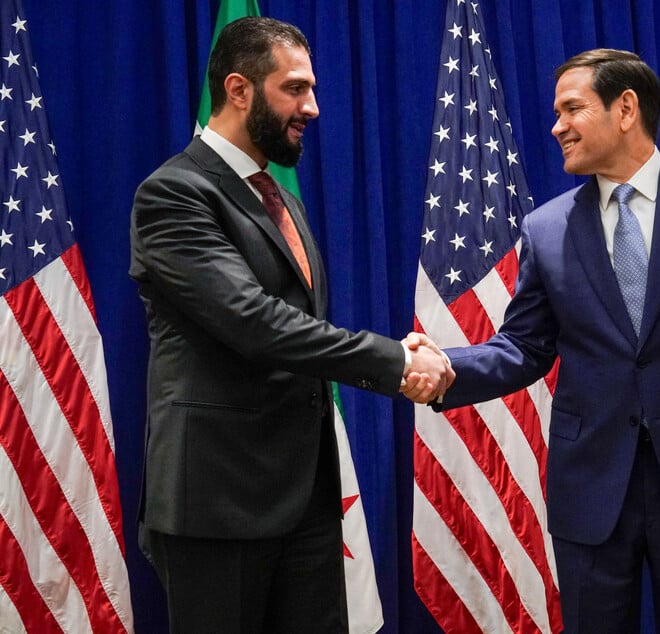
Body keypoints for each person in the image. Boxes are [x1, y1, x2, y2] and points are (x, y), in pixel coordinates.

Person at [408, 49, 660, 633]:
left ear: (625, 109)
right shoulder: (546, 229)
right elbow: (525, 346)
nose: (556, 127)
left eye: (571, 108)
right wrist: (449, 367)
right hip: (592, 486)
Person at [129, 17, 451, 632]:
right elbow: (254, 322)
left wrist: (395, 357)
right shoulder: (173, 193)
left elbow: (296, 325)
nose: (313, 107)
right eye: (295, 89)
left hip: (304, 496)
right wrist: (395, 361)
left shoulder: (279, 198)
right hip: (218, 503)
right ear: (239, 89)